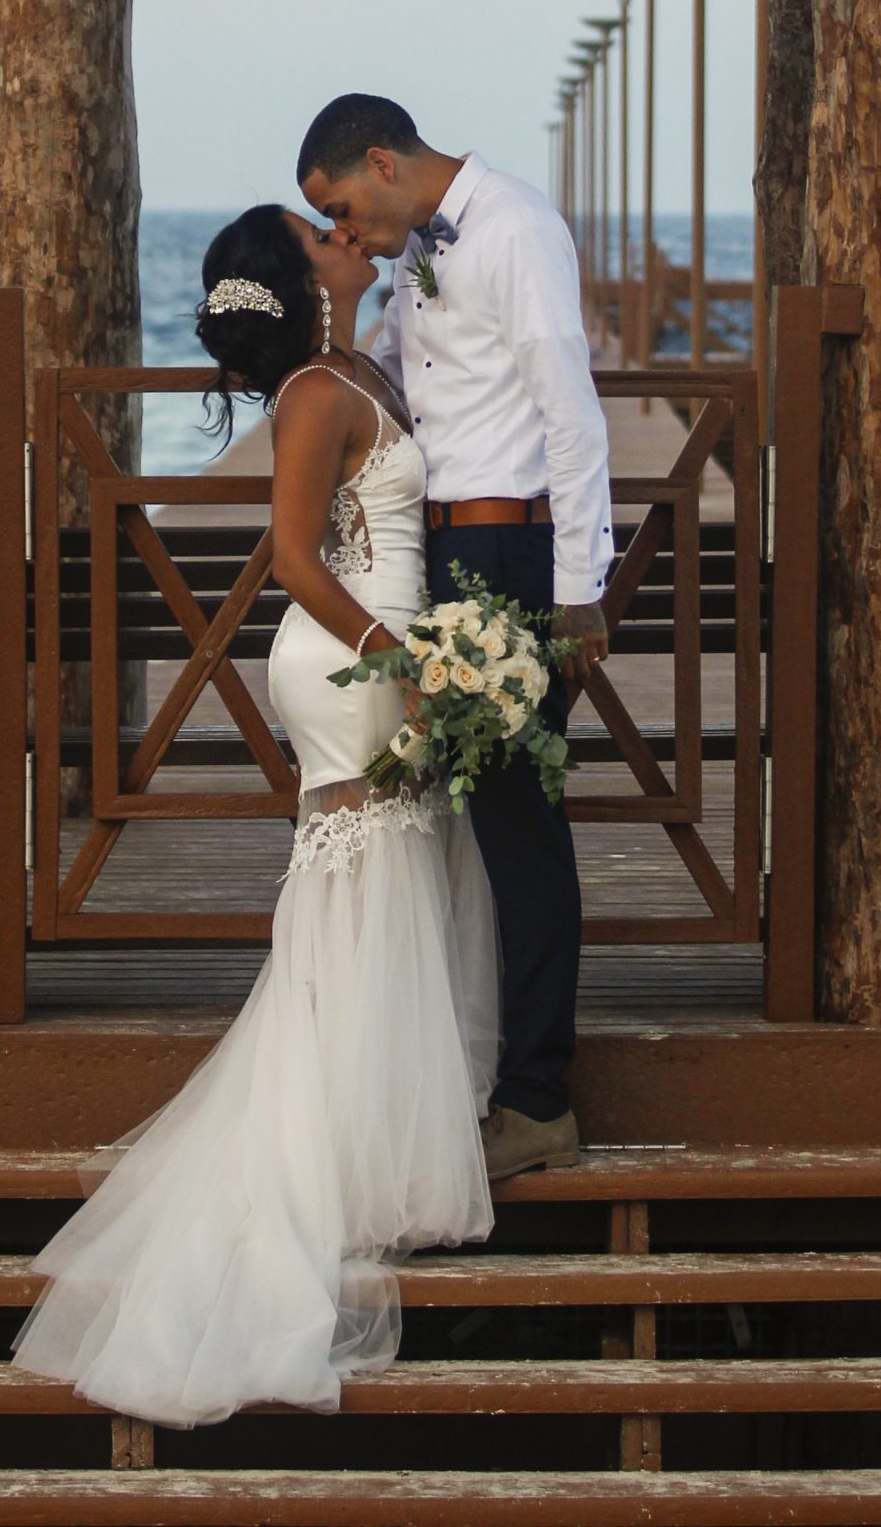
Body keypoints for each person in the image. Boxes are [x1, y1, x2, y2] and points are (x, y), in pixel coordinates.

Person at [13, 203, 497, 1427]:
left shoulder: (344, 370)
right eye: (322, 231)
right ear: (307, 277)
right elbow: (291, 558)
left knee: (377, 886)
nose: (345, 233)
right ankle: (331, 1155)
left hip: (375, 652)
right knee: (364, 886)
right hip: (350, 659)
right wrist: (408, 655)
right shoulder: (315, 396)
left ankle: (364, 1140)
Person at [299, 94, 612, 1179]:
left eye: (345, 206)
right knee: (488, 822)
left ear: (383, 161)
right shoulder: (417, 251)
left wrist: (579, 588)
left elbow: (569, 408)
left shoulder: (515, 228)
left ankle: (538, 1099)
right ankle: (504, 1075)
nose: (349, 230)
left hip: (513, 559)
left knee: (521, 827)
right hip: (449, 559)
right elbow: (388, 382)